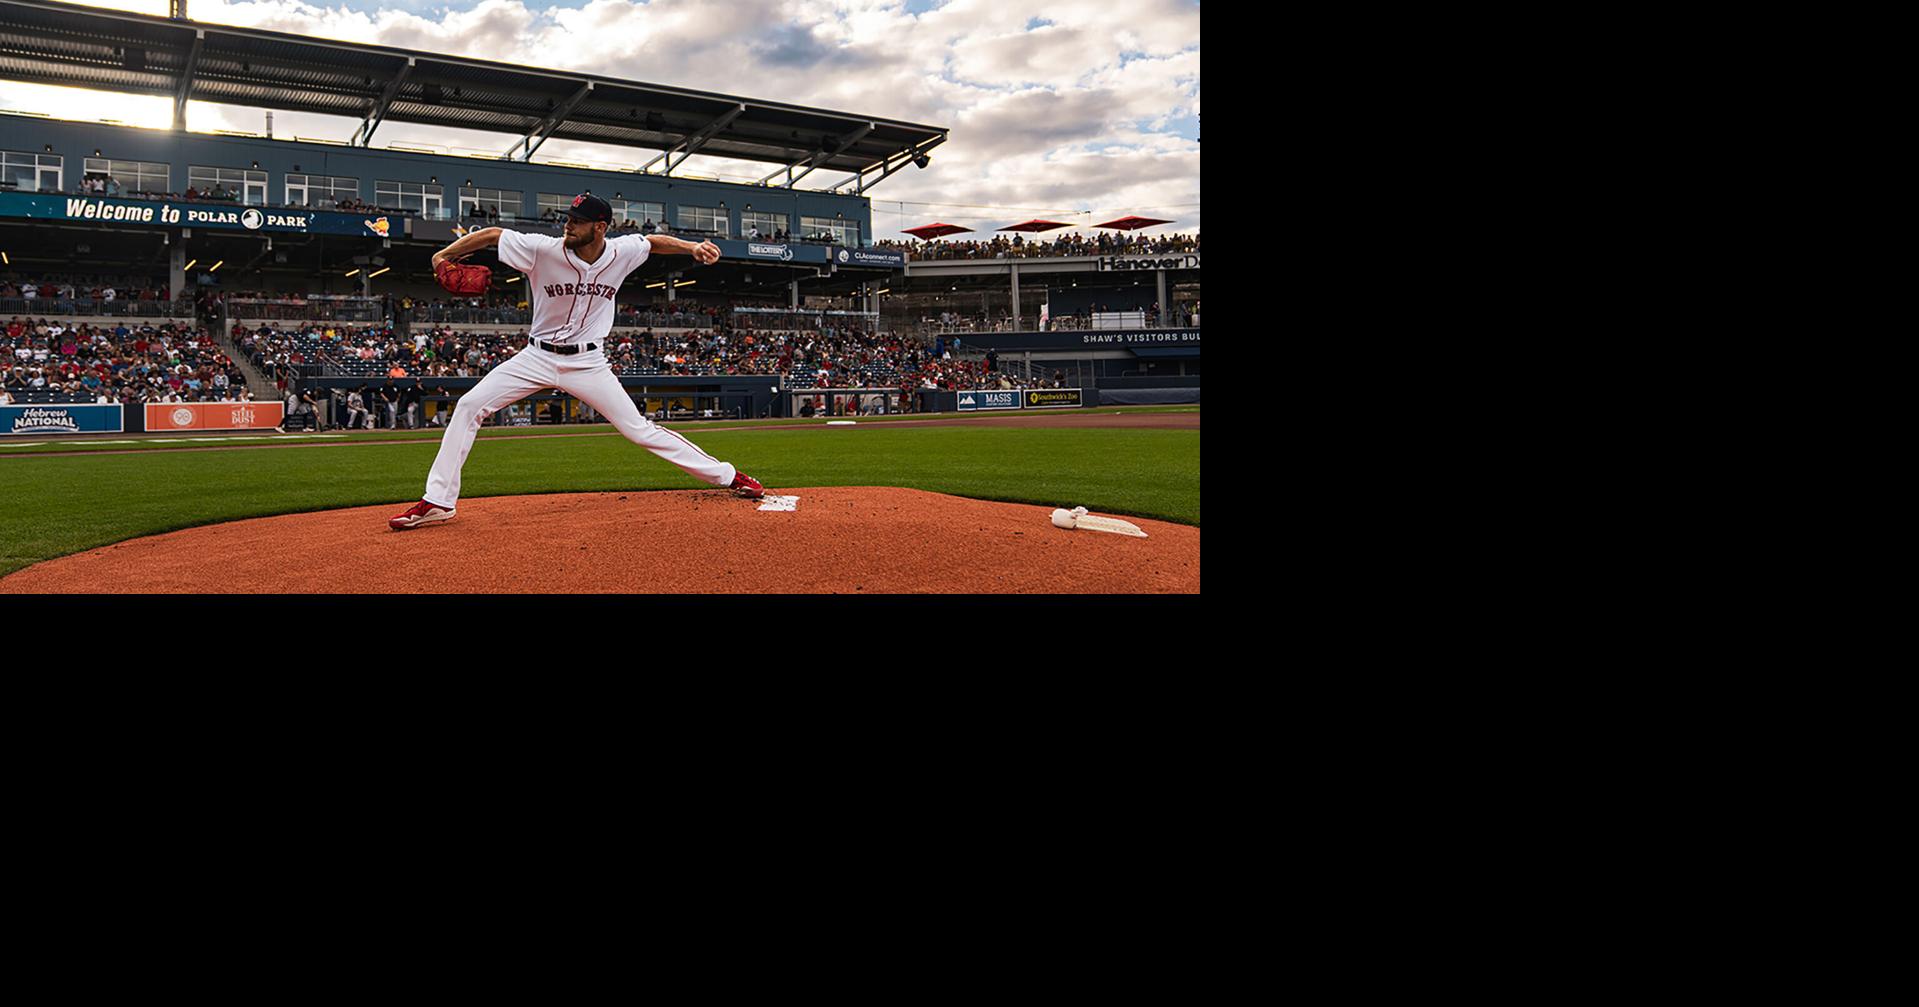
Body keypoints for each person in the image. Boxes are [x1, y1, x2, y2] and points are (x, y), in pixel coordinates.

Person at [389, 193, 764, 530]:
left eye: (577, 220)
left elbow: (651, 242)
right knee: (469, 405)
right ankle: (438, 501)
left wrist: (691, 247)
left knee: (638, 429)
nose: (568, 225)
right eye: (568, 218)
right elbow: (491, 234)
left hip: (588, 363)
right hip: (536, 356)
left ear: (600, 227)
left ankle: (729, 476)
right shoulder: (543, 249)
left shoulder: (622, 251)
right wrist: (444, 255)